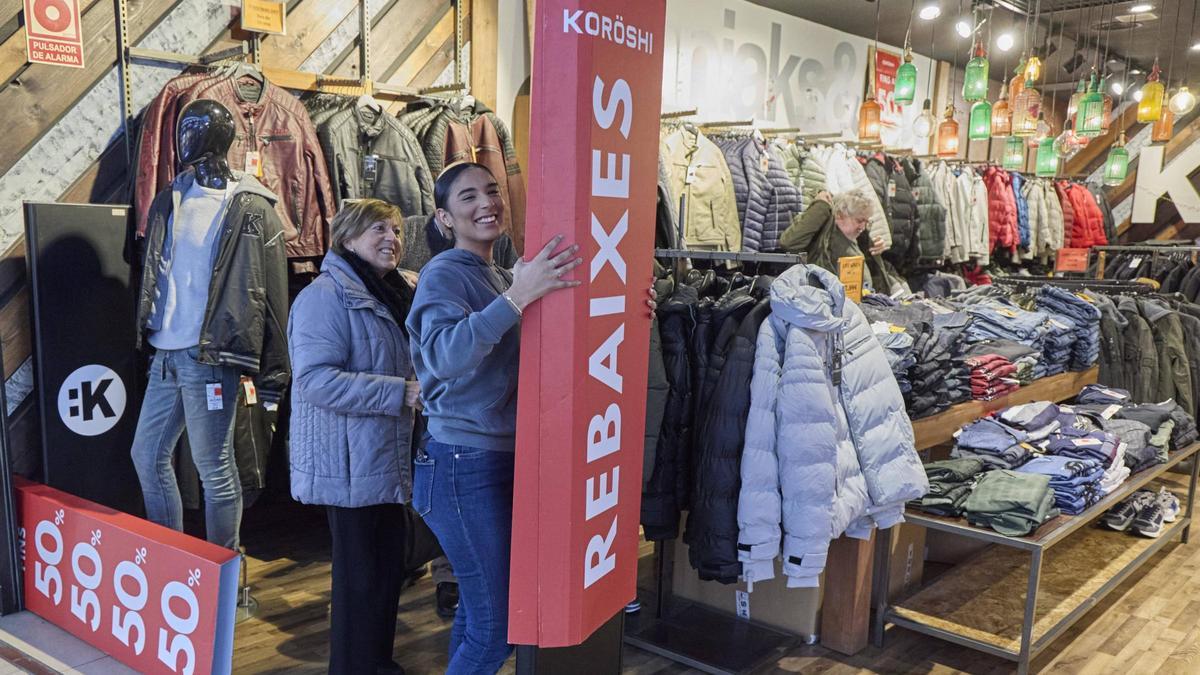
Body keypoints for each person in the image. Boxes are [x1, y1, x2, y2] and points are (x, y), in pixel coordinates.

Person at [405, 162, 580, 673]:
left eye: (492, 190)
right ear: (444, 218)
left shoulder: (501, 274)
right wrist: (517, 298)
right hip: (462, 465)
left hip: (494, 459)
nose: (486, 203)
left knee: (479, 616)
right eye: (468, 197)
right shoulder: (445, 273)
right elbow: (443, 356)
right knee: (498, 629)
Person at [287, 199, 421, 675]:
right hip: (347, 461)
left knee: (386, 570)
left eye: (396, 230)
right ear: (347, 238)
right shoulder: (325, 296)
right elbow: (316, 380)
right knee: (360, 579)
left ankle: (376, 663)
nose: (392, 239)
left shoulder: (397, 290)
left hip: (384, 454)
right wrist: (400, 392)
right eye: (378, 229)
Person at [779, 189, 888, 290]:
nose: (863, 227)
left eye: (867, 222)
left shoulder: (860, 239)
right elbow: (789, 243)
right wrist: (821, 206)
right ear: (840, 215)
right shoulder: (821, 234)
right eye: (859, 221)